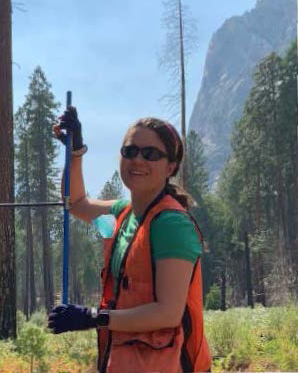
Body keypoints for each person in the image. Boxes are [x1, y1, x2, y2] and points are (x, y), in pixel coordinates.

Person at [48, 107, 211, 373]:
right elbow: (75, 203)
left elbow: (167, 313)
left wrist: (91, 318)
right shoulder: (122, 213)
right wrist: (74, 151)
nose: (138, 159)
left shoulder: (171, 224)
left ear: (171, 166)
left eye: (151, 154)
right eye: (130, 151)